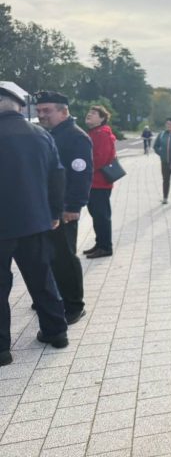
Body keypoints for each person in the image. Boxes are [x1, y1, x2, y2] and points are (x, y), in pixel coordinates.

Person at [0, 82, 69, 366]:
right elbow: (57, 176)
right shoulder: (40, 135)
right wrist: (55, 213)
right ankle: (56, 332)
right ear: (19, 106)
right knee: (42, 278)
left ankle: (2, 350)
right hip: (35, 221)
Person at [34, 91, 93, 324]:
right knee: (50, 255)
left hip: (64, 209)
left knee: (64, 257)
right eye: (39, 111)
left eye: (47, 110)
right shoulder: (49, 134)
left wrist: (74, 206)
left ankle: (74, 305)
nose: (41, 115)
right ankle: (56, 295)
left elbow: (81, 174)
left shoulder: (75, 137)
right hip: (47, 206)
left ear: (63, 111)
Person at [84, 105, 117, 259]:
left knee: (101, 215)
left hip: (100, 183)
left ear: (102, 118)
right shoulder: (94, 132)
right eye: (89, 112)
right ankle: (100, 244)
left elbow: (100, 159)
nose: (89, 114)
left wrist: (84, 168)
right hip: (94, 182)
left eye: (94, 113)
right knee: (96, 215)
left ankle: (105, 247)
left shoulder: (101, 134)